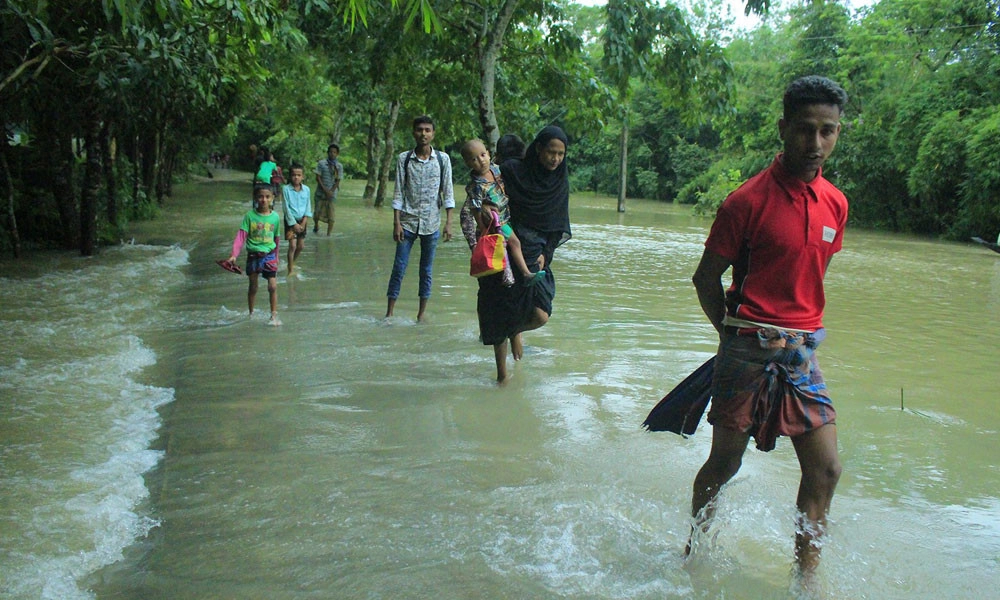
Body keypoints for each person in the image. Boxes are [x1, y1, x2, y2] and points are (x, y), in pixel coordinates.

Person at [686, 75, 848, 586]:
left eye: (828, 131)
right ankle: (694, 549)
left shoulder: (836, 204)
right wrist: (729, 337)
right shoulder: (746, 202)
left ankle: (806, 581)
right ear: (783, 129)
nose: (815, 144)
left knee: (826, 469)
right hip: (746, 345)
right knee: (725, 462)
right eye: (805, 130)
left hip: (803, 352)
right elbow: (705, 278)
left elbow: (807, 278)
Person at [471, 126, 570, 382]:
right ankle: (502, 378)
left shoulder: (560, 181)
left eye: (560, 154)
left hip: (534, 254)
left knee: (541, 314)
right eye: (551, 152)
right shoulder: (514, 171)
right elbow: (484, 185)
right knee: (501, 307)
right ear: (538, 149)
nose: (555, 159)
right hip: (503, 250)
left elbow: (558, 224)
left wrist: (547, 254)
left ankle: (512, 330)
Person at [384, 115, 454, 322]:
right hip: (407, 222)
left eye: (427, 130)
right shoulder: (403, 159)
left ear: (433, 133)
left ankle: (421, 314)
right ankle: (389, 313)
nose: (423, 134)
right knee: (399, 267)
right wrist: (396, 223)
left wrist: (449, 223)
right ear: (413, 132)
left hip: (432, 224)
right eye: (419, 130)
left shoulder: (443, 159)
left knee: (426, 270)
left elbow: (447, 193)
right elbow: (398, 194)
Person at [459, 138, 544, 287]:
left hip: (505, 216)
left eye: (482, 155)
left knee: (504, 247)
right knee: (513, 243)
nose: (481, 161)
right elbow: (475, 208)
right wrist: (483, 227)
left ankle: (511, 276)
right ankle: (525, 273)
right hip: (495, 222)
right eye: (474, 159)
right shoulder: (475, 186)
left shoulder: (496, 169)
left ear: (489, 154)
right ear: (468, 164)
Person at [225, 182, 283, 326]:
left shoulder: (275, 217)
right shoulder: (249, 216)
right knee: (253, 287)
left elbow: (277, 239)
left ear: (272, 198)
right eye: (260, 197)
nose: (264, 200)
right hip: (253, 255)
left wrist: (277, 257)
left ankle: (274, 315)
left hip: (269, 254)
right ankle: (251, 313)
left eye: (267, 197)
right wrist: (234, 255)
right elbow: (241, 237)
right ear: (255, 198)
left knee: (273, 286)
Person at [281, 163, 312, 277]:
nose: (296, 177)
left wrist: (304, 221)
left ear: (302, 176)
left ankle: (292, 262)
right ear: (290, 176)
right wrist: (293, 224)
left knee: (301, 246)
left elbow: (308, 206)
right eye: (294, 175)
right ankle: (290, 270)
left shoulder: (306, 190)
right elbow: (286, 208)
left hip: (302, 220)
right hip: (291, 220)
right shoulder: (286, 189)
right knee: (292, 245)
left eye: (299, 175)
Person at [314, 144, 343, 235]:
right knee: (317, 213)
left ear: (337, 154)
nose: (332, 154)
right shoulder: (322, 163)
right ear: (328, 153)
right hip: (320, 192)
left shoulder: (339, 166)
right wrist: (325, 190)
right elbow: (318, 177)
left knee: (331, 216)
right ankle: (316, 225)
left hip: (332, 194)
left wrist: (331, 191)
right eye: (330, 152)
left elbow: (338, 179)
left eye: (334, 152)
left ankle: (328, 234)